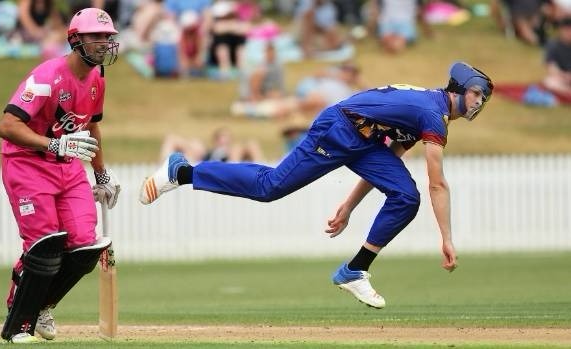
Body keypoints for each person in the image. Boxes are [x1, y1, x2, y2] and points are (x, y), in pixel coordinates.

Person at [139, 62, 494, 308]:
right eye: (478, 95)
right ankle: (182, 172)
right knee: (270, 187)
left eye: (483, 99)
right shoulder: (432, 115)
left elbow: (392, 157)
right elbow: (438, 185)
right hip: (339, 128)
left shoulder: (428, 112)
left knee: (404, 196)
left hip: (362, 139)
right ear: (462, 90)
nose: (480, 103)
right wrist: (446, 239)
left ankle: (354, 270)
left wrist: (349, 205)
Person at [0, 8, 121, 343]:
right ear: (75, 39)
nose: (103, 43)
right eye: (96, 36)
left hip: (68, 166)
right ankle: (18, 315)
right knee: (44, 246)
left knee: (84, 248)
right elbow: (7, 126)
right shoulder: (46, 77)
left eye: (107, 37)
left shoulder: (98, 78)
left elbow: (91, 125)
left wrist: (102, 175)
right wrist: (54, 144)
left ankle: (43, 305)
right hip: (28, 163)